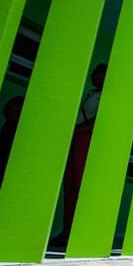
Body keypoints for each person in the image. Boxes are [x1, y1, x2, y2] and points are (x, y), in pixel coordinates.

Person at [52, 63, 107, 247]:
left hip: (86, 138)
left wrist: (77, 130)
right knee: (70, 187)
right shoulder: (91, 94)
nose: (92, 75)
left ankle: (81, 232)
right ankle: (67, 230)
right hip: (76, 138)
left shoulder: (107, 96)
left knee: (81, 184)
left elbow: (99, 120)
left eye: (97, 72)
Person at [0, 96, 25, 213]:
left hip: (8, 158)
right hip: (6, 158)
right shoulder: (10, 127)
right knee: (3, 190)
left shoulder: (11, 127)